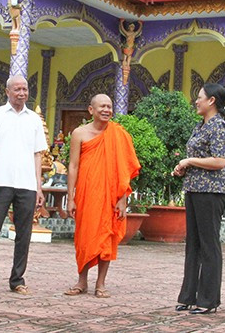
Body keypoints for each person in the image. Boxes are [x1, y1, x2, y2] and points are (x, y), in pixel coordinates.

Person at [64, 94, 140, 298]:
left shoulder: (119, 135)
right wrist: (70, 197)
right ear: (91, 110)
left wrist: (123, 199)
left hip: (110, 195)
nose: (106, 110)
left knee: (107, 236)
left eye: (109, 106)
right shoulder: (79, 133)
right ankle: (82, 281)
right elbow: (73, 166)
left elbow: (125, 170)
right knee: (84, 236)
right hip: (87, 194)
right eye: (102, 106)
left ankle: (101, 283)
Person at [0, 75, 47, 296]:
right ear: (7, 92)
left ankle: (17, 279)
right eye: (17, 89)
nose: (22, 93)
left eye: (25, 89)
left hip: (26, 184)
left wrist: (39, 187)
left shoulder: (34, 120)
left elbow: (38, 155)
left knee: (24, 234)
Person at [172, 83, 225, 315]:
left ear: (212, 101)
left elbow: (219, 161)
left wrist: (189, 161)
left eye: (200, 97)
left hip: (211, 192)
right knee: (193, 244)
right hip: (194, 189)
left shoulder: (219, 127)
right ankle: (188, 296)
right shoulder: (200, 126)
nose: (196, 101)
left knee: (209, 245)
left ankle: (208, 300)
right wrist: (183, 168)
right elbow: (199, 158)